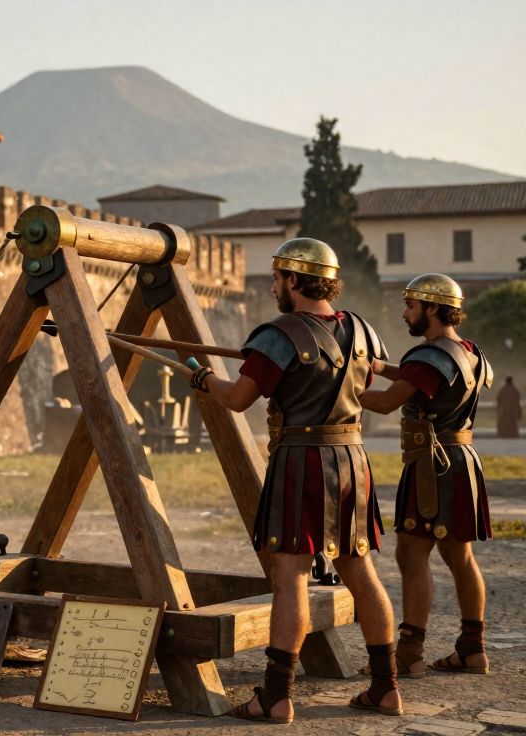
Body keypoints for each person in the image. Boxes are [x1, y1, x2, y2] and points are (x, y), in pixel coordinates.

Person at [190, 238, 402, 723]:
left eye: (276, 278)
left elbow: (240, 398)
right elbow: (361, 385)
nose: (272, 287)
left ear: (292, 280)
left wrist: (204, 380)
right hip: (353, 460)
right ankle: (386, 688)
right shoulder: (363, 331)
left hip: (301, 462)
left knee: (291, 579)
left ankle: (276, 696)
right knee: (361, 572)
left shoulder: (279, 334)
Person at [360, 273, 493, 679]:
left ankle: (409, 654)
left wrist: (334, 384)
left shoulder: (428, 356)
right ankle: (473, 649)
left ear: (432, 308)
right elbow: (417, 378)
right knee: (459, 556)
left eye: (411, 306)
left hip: (432, 469)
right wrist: (377, 366)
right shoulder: (469, 352)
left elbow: (384, 403)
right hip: (462, 461)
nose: (404, 313)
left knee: (411, 553)